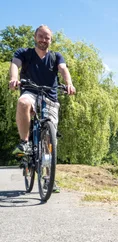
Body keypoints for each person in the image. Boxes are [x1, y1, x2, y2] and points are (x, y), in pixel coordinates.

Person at [8, 25, 76, 192]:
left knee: (49, 139)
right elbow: (15, 65)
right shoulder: (24, 53)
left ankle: (48, 178)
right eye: (41, 36)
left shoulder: (55, 56)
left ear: (51, 40)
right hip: (30, 91)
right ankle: (25, 143)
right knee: (23, 103)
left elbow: (63, 69)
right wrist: (14, 79)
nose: (43, 40)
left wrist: (69, 83)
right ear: (35, 37)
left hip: (50, 97)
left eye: (47, 38)